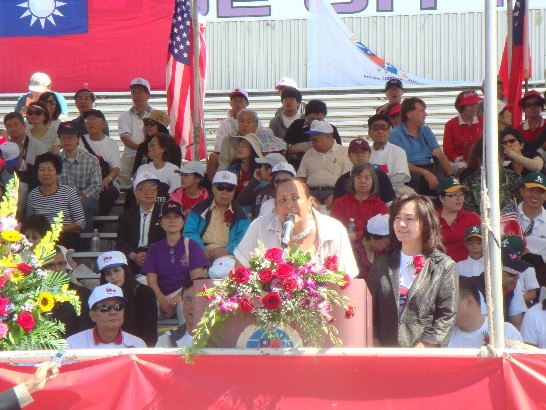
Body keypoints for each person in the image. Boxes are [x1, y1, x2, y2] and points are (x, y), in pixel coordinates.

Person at [368, 194, 458, 347]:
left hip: (424, 356)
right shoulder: (382, 264)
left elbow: (446, 316)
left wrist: (421, 350)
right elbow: (370, 311)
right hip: (384, 353)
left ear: (426, 223)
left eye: (409, 219)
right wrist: (377, 347)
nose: (401, 224)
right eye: (397, 218)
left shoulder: (444, 266)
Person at [234, 178, 358, 277]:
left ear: (309, 203)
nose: (289, 205)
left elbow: (347, 281)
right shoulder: (259, 226)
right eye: (282, 200)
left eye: (295, 198)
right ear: (275, 207)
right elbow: (239, 274)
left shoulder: (334, 229)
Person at [141, 201, 208, 324]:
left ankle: (188, 336)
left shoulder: (192, 246)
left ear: (183, 222)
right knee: (146, 308)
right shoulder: (154, 248)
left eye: (176, 217)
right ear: (161, 222)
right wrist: (162, 300)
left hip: (184, 295)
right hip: (160, 296)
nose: (172, 220)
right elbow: (151, 281)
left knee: (186, 307)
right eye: (167, 217)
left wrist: (177, 298)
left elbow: (196, 279)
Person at [388, 97, 453, 196]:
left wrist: (451, 175)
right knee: (415, 178)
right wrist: (425, 173)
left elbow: (440, 154)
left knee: (447, 183)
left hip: (429, 167)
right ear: (409, 114)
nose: (425, 114)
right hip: (410, 172)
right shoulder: (395, 134)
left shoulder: (426, 130)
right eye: (421, 111)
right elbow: (401, 163)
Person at [183, 171, 251, 264]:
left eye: (230, 189)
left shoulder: (241, 213)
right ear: (213, 188)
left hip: (228, 254)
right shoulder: (199, 208)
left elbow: (245, 238)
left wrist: (227, 250)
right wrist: (201, 250)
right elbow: (189, 232)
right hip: (201, 250)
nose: (225, 192)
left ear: (234, 191)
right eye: (220, 188)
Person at [97, 251, 158, 347]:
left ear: (126, 270)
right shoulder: (100, 298)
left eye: (117, 270)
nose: (113, 277)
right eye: (108, 274)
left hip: (139, 349)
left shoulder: (146, 293)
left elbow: (150, 332)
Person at [26, 152, 85, 249]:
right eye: (42, 170)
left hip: (65, 236)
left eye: (49, 169)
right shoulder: (33, 195)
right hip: (40, 238)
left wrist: (56, 230)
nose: (46, 173)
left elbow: (81, 222)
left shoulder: (69, 192)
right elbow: (30, 222)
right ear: (37, 174)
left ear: (57, 173)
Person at [448, 277, 522, 348]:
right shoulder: (444, 336)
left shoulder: (505, 332)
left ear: (469, 301)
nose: (443, 309)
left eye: (448, 303)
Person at [66, 284, 146, 348]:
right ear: (93, 316)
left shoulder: (137, 345)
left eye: (118, 306)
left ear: (123, 311)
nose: (113, 312)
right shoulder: (73, 344)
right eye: (105, 307)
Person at [116, 172, 165, 275]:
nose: (149, 192)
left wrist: (152, 256)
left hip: (158, 256)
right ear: (135, 192)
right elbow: (121, 242)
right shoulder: (126, 216)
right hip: (133, 256)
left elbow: (168, 240)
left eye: (153, 188)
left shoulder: (165, 214)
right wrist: (134, 256)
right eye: (143, 189)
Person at [58, 121, 102, 233]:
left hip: (86, 199)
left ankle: (84, 239)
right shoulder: (55, 161)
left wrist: (77, 198)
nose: (67, 140)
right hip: (61, 199)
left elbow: (96, 185)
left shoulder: (91, 159)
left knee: (84, 205)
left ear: (78, 139)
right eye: (64, 137)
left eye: (71, 137)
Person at [297, 120, 352, 207]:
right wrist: (304, 195)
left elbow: (347, 180)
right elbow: (301, 179)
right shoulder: (308, 154)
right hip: (311, 193)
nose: (312, 139)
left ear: (328, 136)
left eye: (316, 136)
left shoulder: (344, 152)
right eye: (311, 136)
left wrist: (336, 195)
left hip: (335, 192)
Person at [330, 162, 388, 245]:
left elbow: (380, 232)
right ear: (352, 181)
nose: (363, 181)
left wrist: (356, 236)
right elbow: (333, 228)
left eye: (367, 178)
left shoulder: (380, 206)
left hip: (371, 247)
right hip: (343, 244)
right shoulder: (339, 203)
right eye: (358, 177)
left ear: (373, 181)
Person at [2, 112, 47, 215]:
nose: (13, 129)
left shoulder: (39, 146)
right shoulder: (3, 149)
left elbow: (43, 172)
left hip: (33, 188)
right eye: (9, 126)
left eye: (16, 125)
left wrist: (22, 165)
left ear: (24, 125)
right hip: (8, 188)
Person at [463, 138, 522, 215]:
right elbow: (469, 212)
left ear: (502, 159)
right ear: (480, 161)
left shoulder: (515, 179)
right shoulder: (469, 182)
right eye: (487, 160)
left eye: (495, 159)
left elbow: (521, 206)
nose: (491, 164)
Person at [45, 246, 93, 338]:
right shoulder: (31, 294)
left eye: (60, 264)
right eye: (50, 265)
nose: (57, 269)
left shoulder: (82, 294)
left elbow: (84, 333)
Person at [81, 109, 121, 217]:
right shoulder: (79, 141)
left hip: (105, 182)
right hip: (84, 182)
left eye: (94, 119)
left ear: (103, 124)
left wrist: (106, 180)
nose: (91, 122)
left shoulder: (111, 143)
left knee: (109, 192)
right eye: (87, 120)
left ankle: (99, 222)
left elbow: (116, 168)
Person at [332, 138, 395, 204]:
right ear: (349, 156)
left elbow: (391, 204)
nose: (360, 155)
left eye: (363, 152)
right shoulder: (342, 181)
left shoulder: (382, 177)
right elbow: (336, 206)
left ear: (370, 154)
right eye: (356, 152)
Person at [284, 99, 342, 170]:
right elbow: (285, 147)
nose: (315, 123)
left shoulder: (331, 129)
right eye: (312, 119)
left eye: (319, 120)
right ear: (306, 116)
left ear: (324, 117)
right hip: (298, 165)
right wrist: (303, 149)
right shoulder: (297, 125)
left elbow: (338, 150)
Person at [208, 88, 252, 179]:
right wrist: (233, 152)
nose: (238, 104)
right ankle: (213, 185)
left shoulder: (255, 121)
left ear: (247, 104)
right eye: (235, 101)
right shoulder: (225, 124)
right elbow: (218, 145)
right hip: (228, 154)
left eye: (241, 101)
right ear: (230, 104)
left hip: (249, 154)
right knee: (213, 157)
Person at [117, 78, 154, 185]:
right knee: (119, 171)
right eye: (134, 92)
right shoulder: (124, 116)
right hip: (130, 155)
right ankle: (132, 191)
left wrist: (147, 151)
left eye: (140, 92)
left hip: (152, 154)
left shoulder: (156, 115)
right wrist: (141, 149)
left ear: (148, 95)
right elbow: (125, 138)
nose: (136, 95)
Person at [436, 177, 481, 262]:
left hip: (469, 268)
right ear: (441, 198)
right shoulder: (431, 220)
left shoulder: (473, 218)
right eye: (453, 195)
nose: (459, 198)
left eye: (461, 194)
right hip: (439, 267)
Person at [366, 115, 413, 196]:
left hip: (395, 190)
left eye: (384, 128)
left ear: (390, 131)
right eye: (376, 128)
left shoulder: (398, 151)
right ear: (369, 133)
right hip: (369, 191)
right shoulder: (365, 153)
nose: (380, 131)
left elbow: (400, 176)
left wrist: (385, 190)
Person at [442, 91, 484, 174]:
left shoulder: (483, 121)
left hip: (480, 160)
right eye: (470, 105)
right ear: (461, 107)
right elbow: (448, 150)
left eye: (476, 104)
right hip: (458, 162)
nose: (474, 107)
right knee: (462, 167)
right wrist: (460, 160)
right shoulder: (450, 125)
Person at [132, 110, 181, 177]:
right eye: (147, 123)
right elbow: (135, 172)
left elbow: (175, 173)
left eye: (152, 124)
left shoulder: (174, 148)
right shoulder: (142, 146)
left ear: (161, 127)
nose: (148, 126)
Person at [237, 152, 286, 218]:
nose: (260, 169)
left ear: (270, 170)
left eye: (262, 166)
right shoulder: (260, 191)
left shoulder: (284, 192)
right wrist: (254, 181)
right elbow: (240, 201)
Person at [135, 132, 181, 201]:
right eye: (149, 144)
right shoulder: (142, 169)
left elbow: (174, 196)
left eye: (152, 144)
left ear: (163, 149)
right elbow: (138, 194)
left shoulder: (173, 170)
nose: (149, 147)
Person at [155, 280, 198, 348]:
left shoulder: (217, 340)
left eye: (199, 300)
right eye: (189, 300)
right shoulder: (167, 340)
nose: (193, 306)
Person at [354, 214, 390, 281]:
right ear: (372, 237)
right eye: (386, 243)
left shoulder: (384, 252)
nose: (386, 245)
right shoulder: (354, 251)